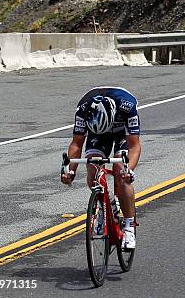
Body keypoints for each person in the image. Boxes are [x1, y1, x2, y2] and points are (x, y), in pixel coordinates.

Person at [60, 88, 141, 250]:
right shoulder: (83, 110)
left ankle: (129, 226)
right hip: (97, 134)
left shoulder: (127, 106)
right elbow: (77, 144)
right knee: (93, 170)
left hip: (121, 133)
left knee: (120, 171)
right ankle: (106, 205)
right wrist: (70, 171)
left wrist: (128, 170)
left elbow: (134, 146)